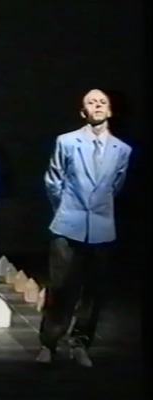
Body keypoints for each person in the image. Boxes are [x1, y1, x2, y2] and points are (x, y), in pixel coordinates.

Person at [36, 89, 132, 367]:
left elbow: (116, 185)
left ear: (110, 111)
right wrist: (67, 209)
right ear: (83, 111)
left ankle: (80, 343)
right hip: (68, 224)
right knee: (60, 288)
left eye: (102, 102)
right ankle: (49, 343)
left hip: (101, 227)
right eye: (92, 102)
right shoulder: (67, 141)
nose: (97, 106)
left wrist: (99, 209)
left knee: (93, 291)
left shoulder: (122, 149)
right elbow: (53, 180)